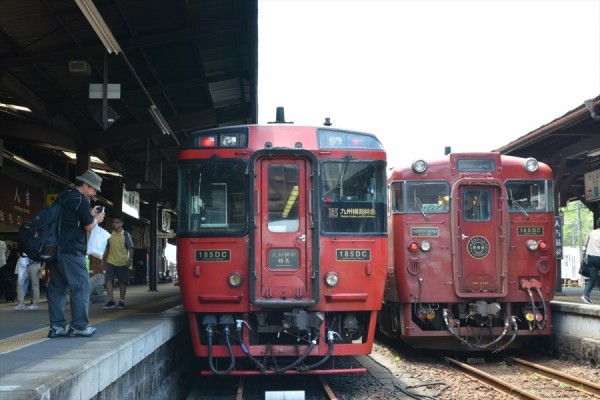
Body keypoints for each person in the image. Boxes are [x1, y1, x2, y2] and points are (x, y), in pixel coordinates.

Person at [47, 169, 105, 338]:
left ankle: (56, 327)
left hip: (55, 250)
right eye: (94, 188)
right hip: (71, 251)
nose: (95, 192)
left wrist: (89, 216)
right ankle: (79, 326)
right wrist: (96, 219)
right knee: (81, 286)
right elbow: (88, 226)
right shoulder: (80, 199)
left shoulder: (64, 196)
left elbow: (73, 220)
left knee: (57, 288)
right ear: (85, 185)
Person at [102, 215, 133, 309]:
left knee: (122, 282)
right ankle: (111, 300)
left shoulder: (126, 235)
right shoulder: (110, 234)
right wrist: (103, 260)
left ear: (121, 224)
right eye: (113, 222)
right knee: (108, 279)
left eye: (117, 222)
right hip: (111, 261)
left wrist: (129, 259)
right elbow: (106, 248)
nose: (114, 224)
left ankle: (121, 301)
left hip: (122, 262)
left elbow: (131, 248)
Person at [581, 217, 600, 305]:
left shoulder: (591, 232)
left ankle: (585, 295)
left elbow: (585, 243)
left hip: (591, 257)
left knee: (592, 277)